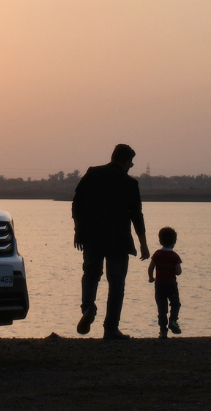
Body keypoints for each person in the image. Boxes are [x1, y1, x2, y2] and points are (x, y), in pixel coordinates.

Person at [72, 144, 150, 340]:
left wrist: (78, 231)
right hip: (118, 240)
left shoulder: (92, 173)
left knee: (91, 275)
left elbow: (77, 204)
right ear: (126, 162)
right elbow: (136, 216)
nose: (131, 166)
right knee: (116, 283)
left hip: (91, 236)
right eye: (131, 163)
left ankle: (88, 308)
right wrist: (143, 244)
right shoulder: (130, 184)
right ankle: (111, 328)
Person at [148, 226, 182, 339]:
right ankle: (173, 320)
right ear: (174, 241)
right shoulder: (174, 256)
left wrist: (151, 277)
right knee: (175, 304)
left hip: (159, 285)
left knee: (162, 308)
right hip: (171, 285)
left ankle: (163, 331)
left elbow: (151, 267)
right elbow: (178, 272)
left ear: (160, 240)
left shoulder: (157, 254)